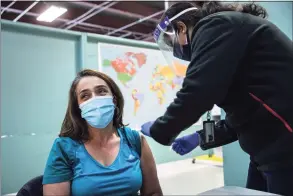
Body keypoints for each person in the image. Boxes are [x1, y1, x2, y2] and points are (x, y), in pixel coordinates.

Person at [141, 1, 293, 196]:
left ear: (181, 28)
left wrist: (160, 129)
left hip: (285, 150)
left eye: (173, 44)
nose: (177, 53)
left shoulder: (215, 26)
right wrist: (200, 137)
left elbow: (198, 91)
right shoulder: (229, 30)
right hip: (268, 150)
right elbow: (246, 112)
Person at [43, 69, 162, 196]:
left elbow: (153, 192)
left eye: (101, 91)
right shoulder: (64, 147)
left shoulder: (134, 140)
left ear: (114, 100)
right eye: (85, 96)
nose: (95, 100)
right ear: (78, 108)